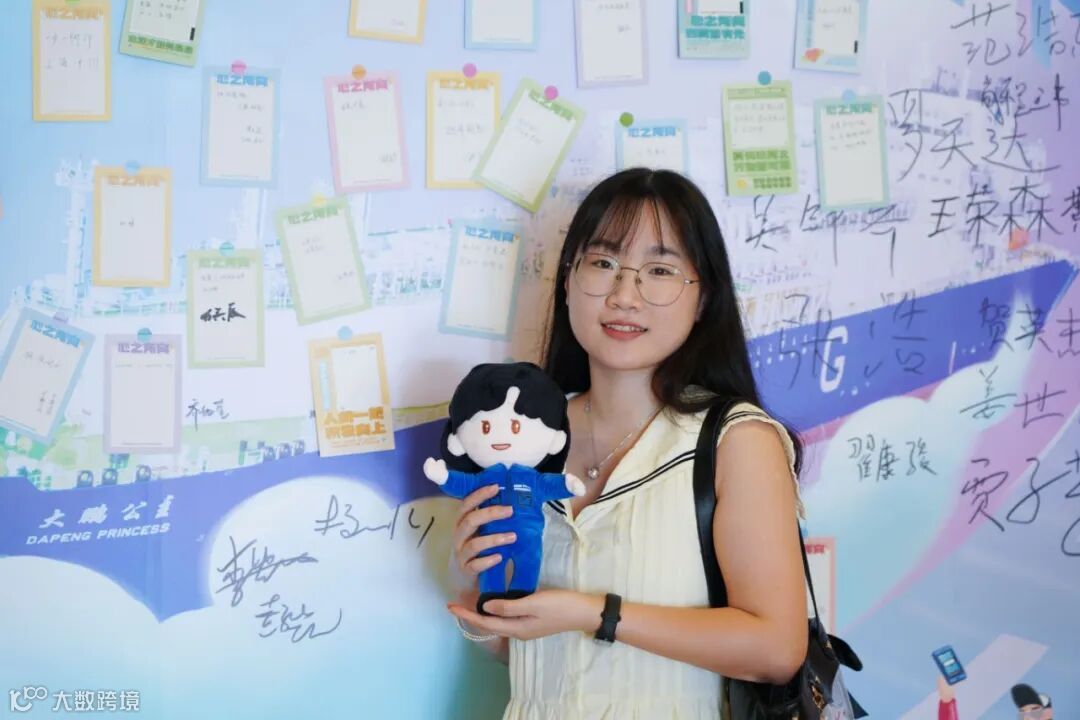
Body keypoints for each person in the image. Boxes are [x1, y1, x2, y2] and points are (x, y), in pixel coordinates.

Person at [446, 168, 808, 719]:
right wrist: (479, 595)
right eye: (603, 263)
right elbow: (532, 655)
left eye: (659, 271)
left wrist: (597, 614)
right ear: (568, 280)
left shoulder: (736, 441)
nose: (623, 296)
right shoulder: (519, 438)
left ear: (703, 298)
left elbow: (776, 651)